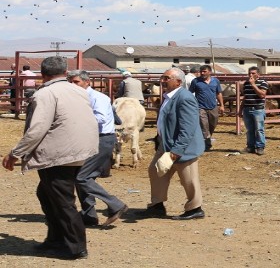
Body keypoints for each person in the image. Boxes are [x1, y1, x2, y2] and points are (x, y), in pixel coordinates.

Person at [2, 56, 98, 260]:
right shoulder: (79, 91)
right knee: (46, 194)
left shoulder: (45, 94)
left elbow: (37, 129)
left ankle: (75, 247)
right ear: (65, 73)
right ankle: (55, 239)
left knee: (62, 201)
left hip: (59, 154)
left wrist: (15, 153)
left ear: (43, 75)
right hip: (81, 150)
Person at [137, 68, 206, 220]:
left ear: (178, 82)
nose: (162, 80)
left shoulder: (184, 98)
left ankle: (195, 208)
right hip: (166, 144)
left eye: (166, 78)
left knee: (188, 179)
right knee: (155, 171)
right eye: (162, 77)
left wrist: (177, 150)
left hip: (182, 147)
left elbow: (188, 128)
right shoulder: (169, 97)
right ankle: (157, 205)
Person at [67, 70, 128, 228]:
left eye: (76, 82)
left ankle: (115, 204)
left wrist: (76, 119)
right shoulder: (78, 97)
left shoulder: (97, 97)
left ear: (87, 82)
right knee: (85, 177)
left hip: (101, 139)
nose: (73, 85)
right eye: (71, 82)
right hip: (89, 139)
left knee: (82, 177)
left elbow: (101, 118)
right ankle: (89, 215)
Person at [189, 65, 225, 150]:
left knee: (213, 123)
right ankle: (207, 144)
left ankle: (207, 138)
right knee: (204, 126)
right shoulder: (196, 81)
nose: (202, 73)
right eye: (201, 71)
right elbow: (190, 93)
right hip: (200, 107)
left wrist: (222, 105)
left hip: (213, 106)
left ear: (210, 72)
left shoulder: (215, 81)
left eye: (204, 71)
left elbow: (218, 93)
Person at [240, 66, 269, 155]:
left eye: (253, 73)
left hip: (258, 109)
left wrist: (253, 85)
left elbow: (262, 95)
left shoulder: (263, 83)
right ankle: (250, 146)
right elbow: (245, 97)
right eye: (249, 73)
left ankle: (260, 147)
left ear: (258, 74)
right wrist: (240, 109)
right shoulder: (246, 83)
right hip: (247, 109)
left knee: (259, 129)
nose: (250, 75)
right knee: (249, 129)